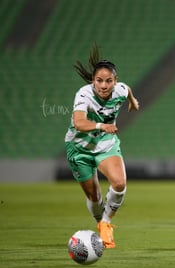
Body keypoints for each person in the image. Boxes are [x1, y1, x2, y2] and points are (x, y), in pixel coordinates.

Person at [65, 44, 139, 248]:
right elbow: (79, 122)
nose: (104, 86)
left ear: (115, 81)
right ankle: (100, 222)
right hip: (79, 148)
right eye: (99, 81)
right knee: (94, 196)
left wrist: (133, 101)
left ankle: (106, 224)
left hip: (105, 145)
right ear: (93, 81)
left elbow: (128, 90)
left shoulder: (121, 90)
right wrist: (101, 125)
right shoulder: (84, 94)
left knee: (119, 183)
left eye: (109, 81)